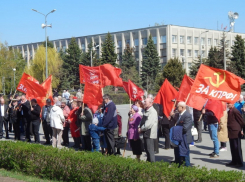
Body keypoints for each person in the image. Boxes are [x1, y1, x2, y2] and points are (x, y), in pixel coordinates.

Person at [170, 101, 192, 167]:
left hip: (185, 137)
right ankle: (179, 163)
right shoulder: (179, 114)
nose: (176, 108)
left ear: (182, 107)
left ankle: (188, 166)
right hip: (179, 137)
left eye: (178, 107)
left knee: (185, 153)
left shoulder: (187, 115)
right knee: (179, 151)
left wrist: (175, 129)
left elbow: (185, 128)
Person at [139, 97, 158, 162]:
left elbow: (148, 124)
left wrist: (141, 129)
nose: (144, 103)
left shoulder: (152, 111)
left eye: (145, 102)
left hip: (150, 134)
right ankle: (148, 162)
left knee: (150, 150)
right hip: (145, 133)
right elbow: (143, 121)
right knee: (147, 149)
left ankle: (152, 165)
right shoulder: (146, 110)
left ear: (150, 103)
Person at [226, 103, 244, 168]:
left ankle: (239, 162)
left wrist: (241, 130)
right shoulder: (229, 111)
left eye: (228, 104)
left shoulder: (235, 111)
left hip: (236, 132)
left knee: (237, 148)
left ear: (232, 104)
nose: (227, 105)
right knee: (232, 147)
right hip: (231, 131)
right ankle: (234, 161)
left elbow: (241, 121)